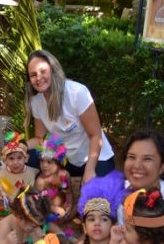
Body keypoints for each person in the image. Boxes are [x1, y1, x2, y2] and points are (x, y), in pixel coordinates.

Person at [25, 49, 115, 184]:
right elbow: (40, 139)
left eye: (43, 71)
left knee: (95, 193)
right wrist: (21, 146)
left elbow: (95, 135)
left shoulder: (77, 92)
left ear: (52, 70)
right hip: (65, 158)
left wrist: (89, 170)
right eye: (33, 75)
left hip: (96, 158)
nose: (38, 77)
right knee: (22, 158)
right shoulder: (36, 101)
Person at [34, 132, 73, 221]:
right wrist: (54, 208)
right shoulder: (41, 181)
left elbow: (69, 193)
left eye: (49, 162)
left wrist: (69, 206)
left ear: (58, 163)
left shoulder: (64, 175)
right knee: (45, 219)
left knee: (75, 209)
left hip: (62, 208)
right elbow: (38, 202)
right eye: (42, 161)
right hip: (47, 210)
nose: (44, 165)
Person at [0, 132, 37, 206]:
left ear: (26, 158)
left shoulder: (32, 173)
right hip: (5, 207)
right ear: (5, 160)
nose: (15, 162)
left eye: (19, 158)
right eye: (11, 158)